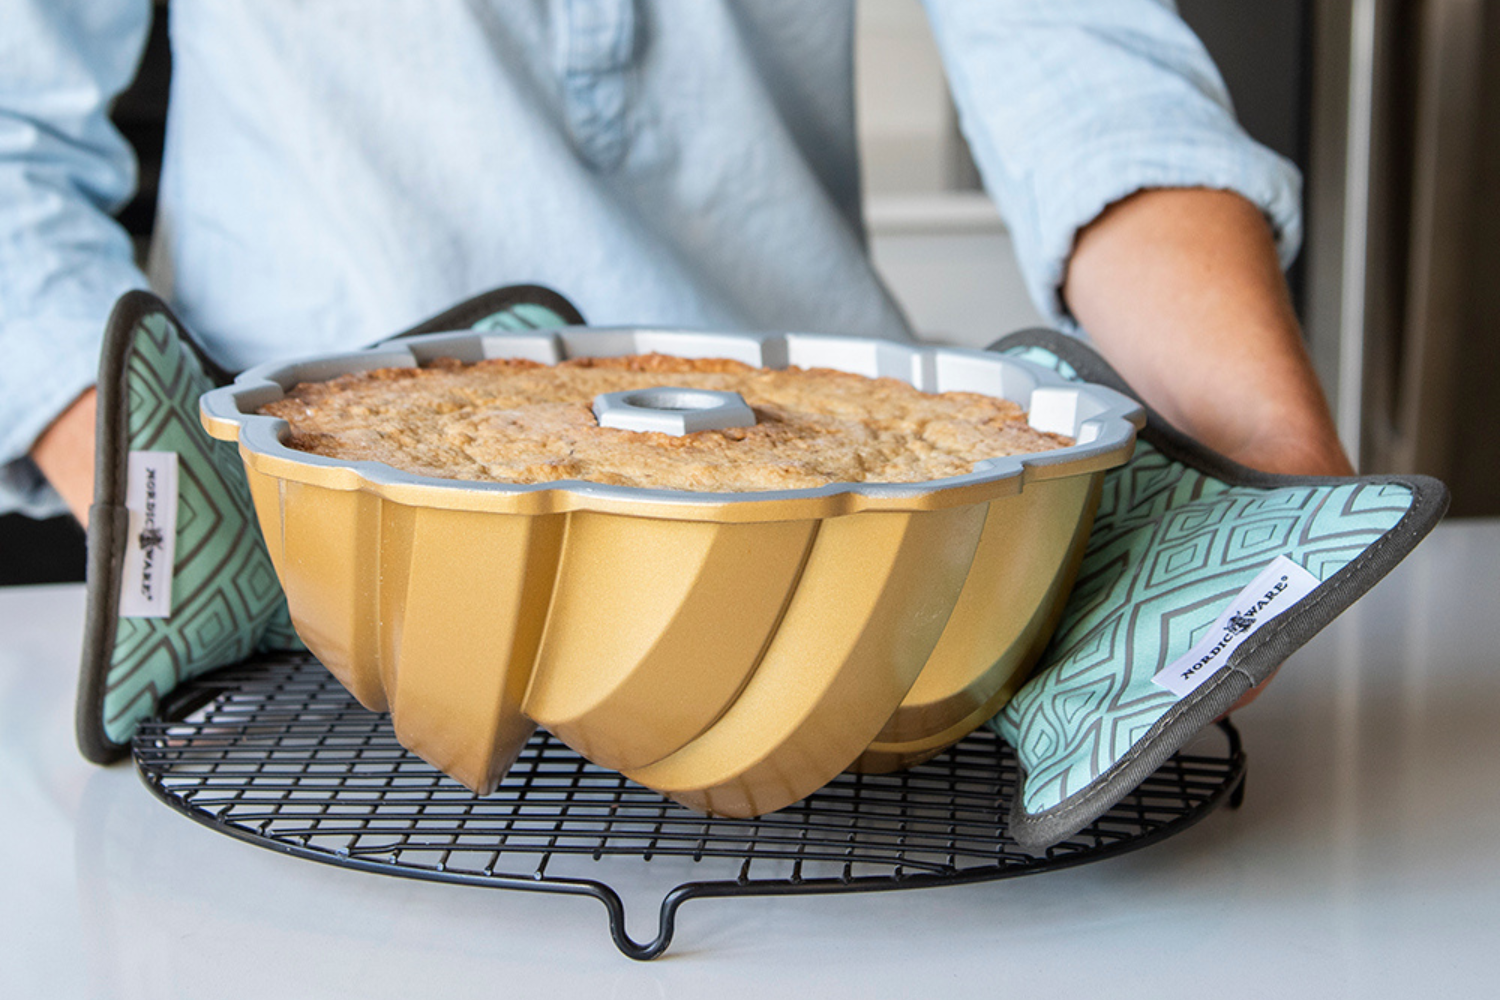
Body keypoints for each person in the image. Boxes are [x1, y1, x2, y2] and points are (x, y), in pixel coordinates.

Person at [5, 4, 1350, 606]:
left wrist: (1264, 461)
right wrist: (195, 550)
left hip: (829, 549)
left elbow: (1075, 56)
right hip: (330, 545)